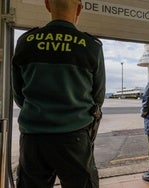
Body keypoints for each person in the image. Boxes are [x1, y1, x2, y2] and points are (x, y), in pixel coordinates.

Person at [11, 0, 106, 187]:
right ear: (79, 9)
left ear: (47, 5)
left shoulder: (25, 42)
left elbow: (19, 95)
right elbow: (98, 97)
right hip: (74, 138)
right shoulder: (91, 46)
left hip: (34, 137)